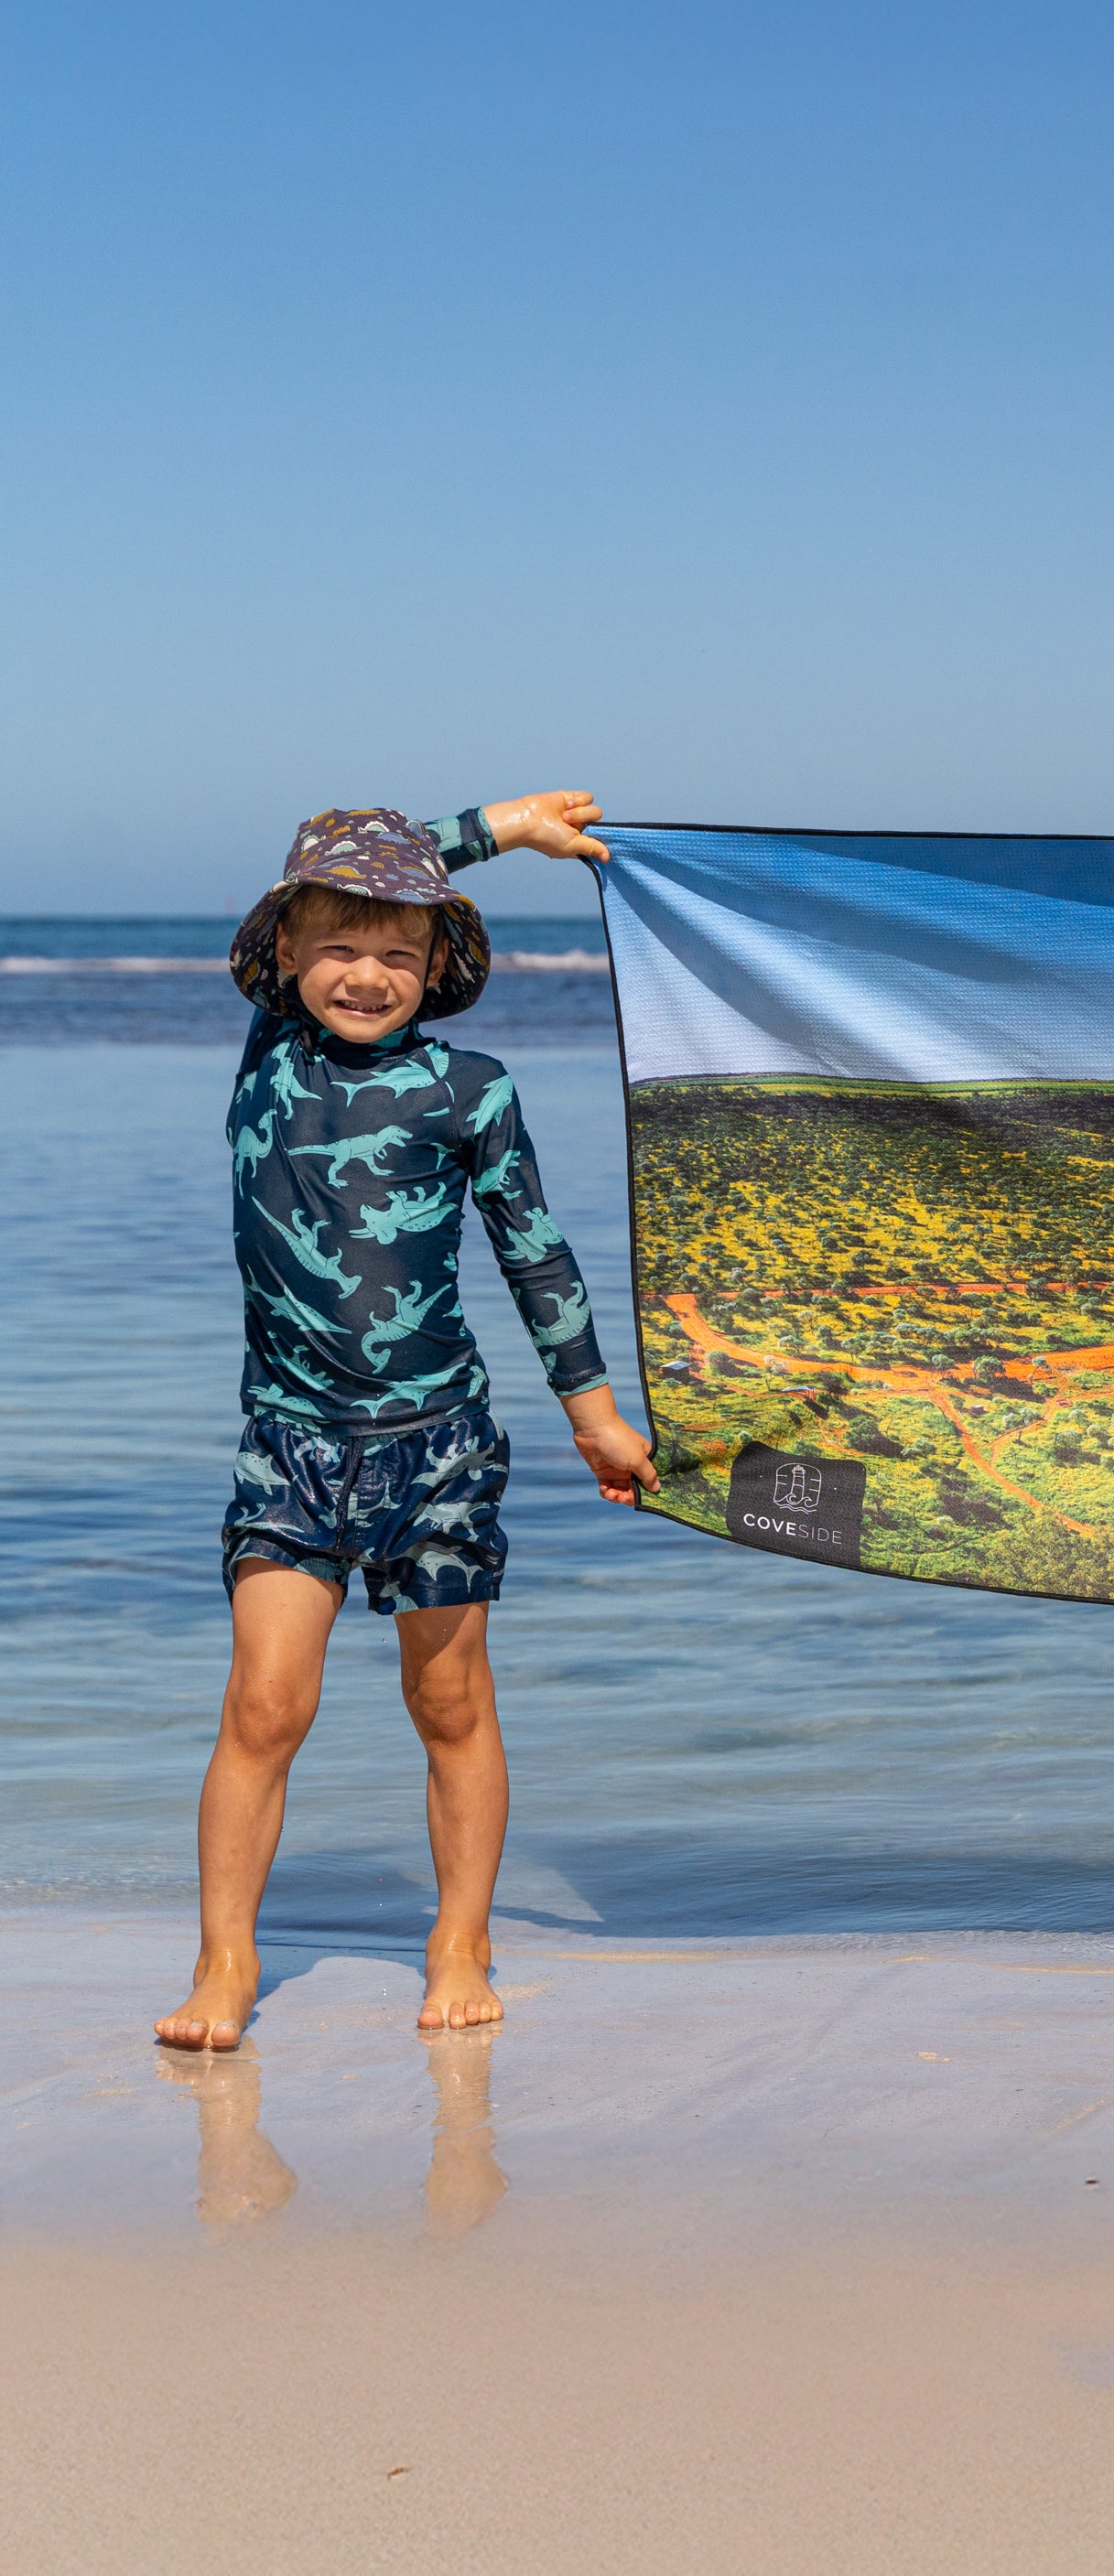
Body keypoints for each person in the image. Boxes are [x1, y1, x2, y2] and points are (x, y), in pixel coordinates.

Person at [153, 795, 658, 2052]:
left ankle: (460, 1937)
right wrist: (501, 824)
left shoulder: (471, 1091)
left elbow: (536, 1256)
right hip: (289, 1444)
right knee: (265, 1705)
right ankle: (224, 1962)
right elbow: (375, 862)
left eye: (398, 951)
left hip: (436, 1445)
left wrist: (595, 1417)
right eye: (336, 944)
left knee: (449, 1704)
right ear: (283, 957)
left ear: (439, 967)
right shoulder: (270, 1052)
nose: (365, 974)